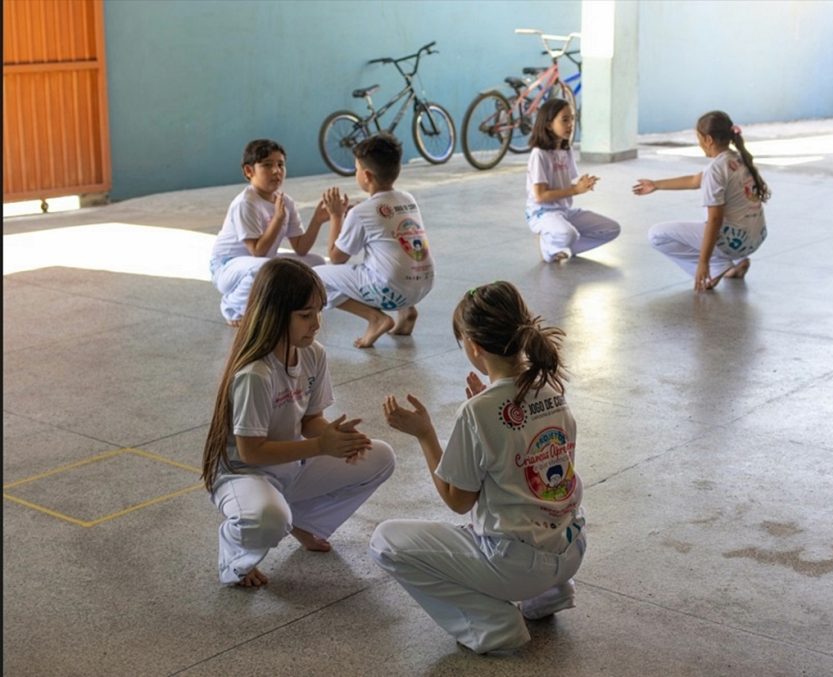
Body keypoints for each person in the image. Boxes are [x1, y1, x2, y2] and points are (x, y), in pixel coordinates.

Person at [370, 281, 586, 654]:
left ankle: (493, 626)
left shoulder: (477, 412)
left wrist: (425, 436)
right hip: (571, 550)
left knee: (385, 541)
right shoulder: (552, 391)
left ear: (473, 346)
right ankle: (550, 593)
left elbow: (457, 500)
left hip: (517, 565)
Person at [201, 258, 396, 588]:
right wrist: (321, 446)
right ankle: (235, 556)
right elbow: (251, 452)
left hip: (290, 467)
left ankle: (306, 522)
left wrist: (336, 438)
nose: (316, 323)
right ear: (275, 315)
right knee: (269, 519)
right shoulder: (255, 374)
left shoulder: (313, 354)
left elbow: (310, 420)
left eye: (319, 311)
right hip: (244, 475)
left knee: (381, 456)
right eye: (305, 315)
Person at [314, 133, 434, 348]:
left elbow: (336, 257)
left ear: (367, 176)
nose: (356, 173)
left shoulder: (361, 212)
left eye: (357, 169)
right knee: (390, 253)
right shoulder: (407, 199)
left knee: (315, 277)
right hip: (423, 284)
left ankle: (375, 318)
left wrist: (336, 216)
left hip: (392, 290)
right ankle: (407, 313)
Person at [633, 110, 770, 292]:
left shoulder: (716, 169)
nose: (698, 143)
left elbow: (715, 220)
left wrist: (703, 263)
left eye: (698, 138)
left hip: (735, 242)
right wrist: (656, 185)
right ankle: (736, 262)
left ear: (708, 140)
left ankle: (716, 267)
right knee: (720, 210)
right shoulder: (737, 158)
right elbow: (694, 180)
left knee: (656, 235)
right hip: (755, 239)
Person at [210, 139, 330, 326]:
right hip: (227, 267)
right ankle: (232, 307)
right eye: (267, 165)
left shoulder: (285, 201)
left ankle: (286, 304)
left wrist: (317, 220)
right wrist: (278, 219)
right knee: (263, 268)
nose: (276, 171)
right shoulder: (246, 202)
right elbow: (258, 252)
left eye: (280, 164)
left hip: (261, 263)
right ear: (249, 171)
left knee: (316, 263)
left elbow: (301, 248)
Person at [526, 98, 620, 263]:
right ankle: (548, 247)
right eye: (564, 120)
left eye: (572, 119)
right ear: (548, 124)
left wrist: (580, 185)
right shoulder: (539, 154)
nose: (570, 124)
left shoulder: (565, 149)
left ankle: (563, 250)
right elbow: (540, 196)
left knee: (611, 229)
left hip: (564, 212)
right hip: (542, 214)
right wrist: (576, 190)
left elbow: (564, 186)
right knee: (568, 234)